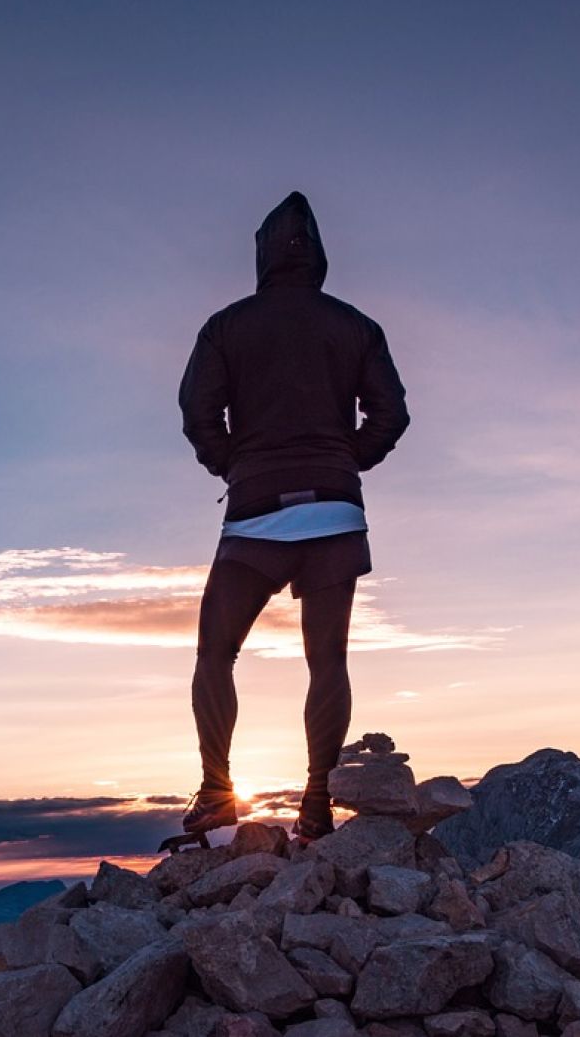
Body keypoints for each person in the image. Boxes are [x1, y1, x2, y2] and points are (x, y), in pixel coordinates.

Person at [176, 191, 410, 844]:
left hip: (254, 514)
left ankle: (217, 792)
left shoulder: (226, 327)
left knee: (215, 652)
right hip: (335, 512)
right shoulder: (357, 326)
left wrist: (236, 466)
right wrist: (344, 461)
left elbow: (198, 412)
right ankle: (316, 803)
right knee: (327, 659)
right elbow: (390, 414)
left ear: (261, 254)